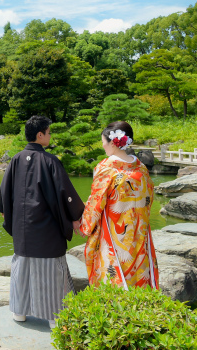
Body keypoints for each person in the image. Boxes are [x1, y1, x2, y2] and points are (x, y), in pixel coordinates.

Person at [0, 115, 85, 327]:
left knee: (22, 268)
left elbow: (4, 193)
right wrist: (76, 216)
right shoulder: (50, 161)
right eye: (49, 132)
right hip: (47, 228)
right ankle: (54, 316)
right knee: (51, 271)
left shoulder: (16, 159)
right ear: (40, 135)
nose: (50, 136)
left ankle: (19, 312)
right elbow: (65, 194)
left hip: (22, 228)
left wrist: (7, 213)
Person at [79, 121, 159, 290]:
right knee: (138, 271)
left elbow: (96, 202)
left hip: (115, 231)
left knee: (113, 273)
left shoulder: (106, 168)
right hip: (139, 230)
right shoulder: (142, 169)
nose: (103, 145)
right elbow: (149, 199)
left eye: (103, 141)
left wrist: (84, 226)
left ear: (113, 143)